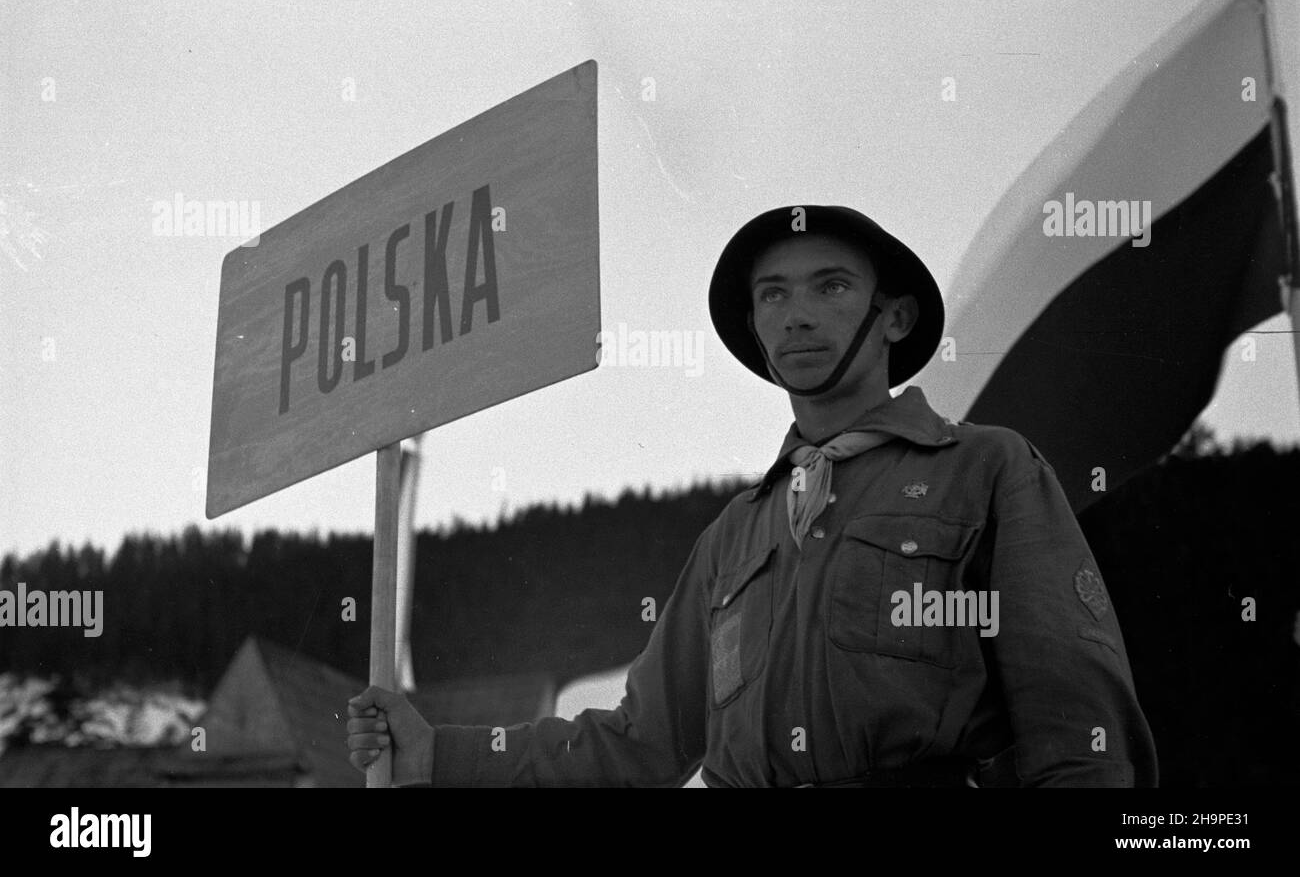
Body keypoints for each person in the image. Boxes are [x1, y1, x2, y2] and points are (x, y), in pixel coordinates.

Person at [347, 204, 1158, 787]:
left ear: (894, 316)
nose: (797, 315)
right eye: (774, 295)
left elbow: (1079, 725)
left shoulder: (987, 470)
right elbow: (636, 744)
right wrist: (437, 756)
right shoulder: (733, 539)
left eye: (831, 287)